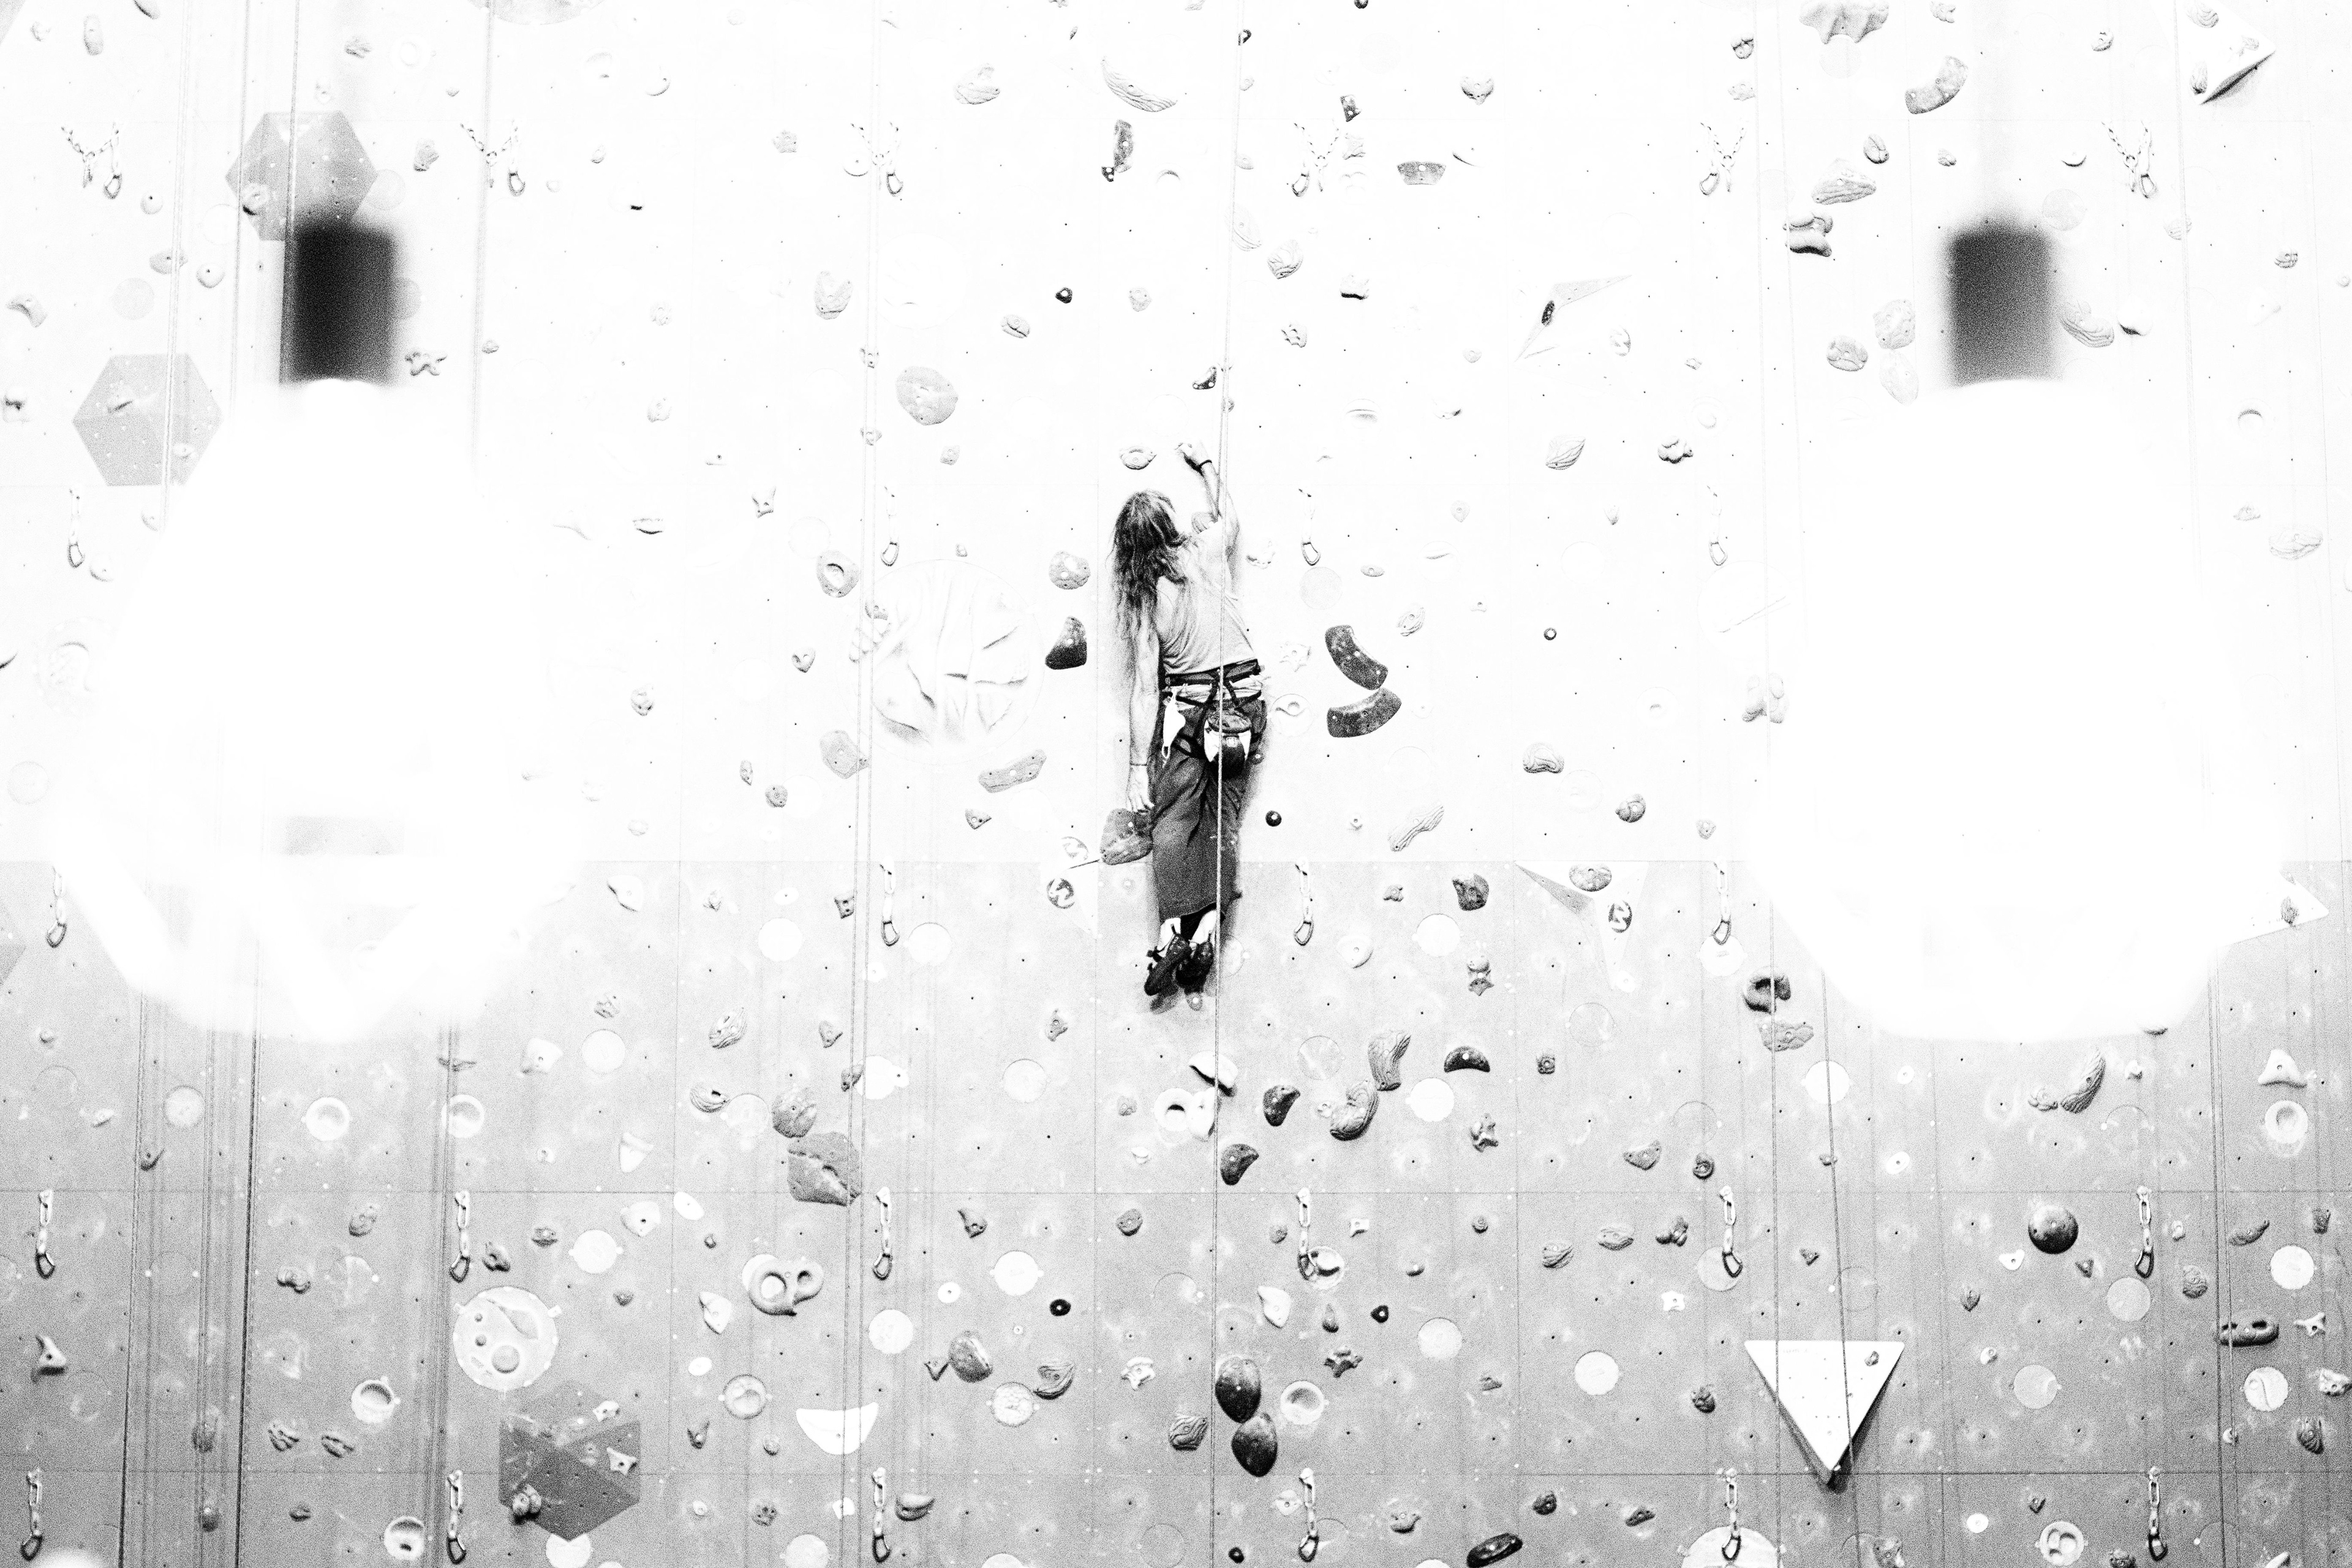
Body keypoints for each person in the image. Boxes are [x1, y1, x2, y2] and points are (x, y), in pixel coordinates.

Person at [1115, 442, 1265, 1000]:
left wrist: (1137, 768)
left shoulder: (1142, 598)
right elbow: (1231, 515)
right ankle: (1205, 932)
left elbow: (1145, 690)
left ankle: (1171, 930)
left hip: (1192, 710)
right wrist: (1205, 465)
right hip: (1243, 701)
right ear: (1171, 527)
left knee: (1174, 821)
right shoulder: (1205, 550)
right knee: (1221, 820)